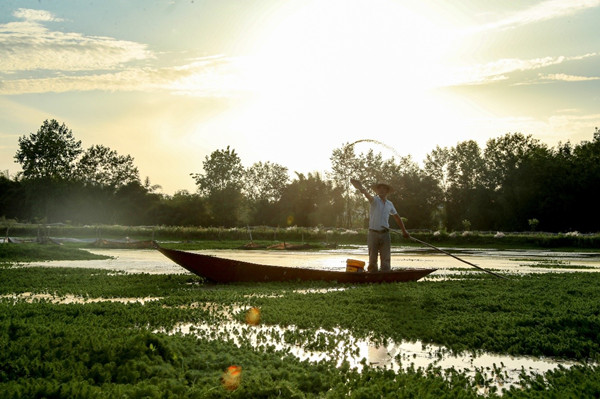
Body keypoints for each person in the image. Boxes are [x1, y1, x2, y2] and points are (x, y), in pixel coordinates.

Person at [351, 179, 410, 272]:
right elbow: (366, 194)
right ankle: (372, 275)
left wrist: (404, 231)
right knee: (372, 258)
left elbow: (397, 217)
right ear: (377, 191)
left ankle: (385, 275)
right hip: (373, 233)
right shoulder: (374, 200)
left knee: (386, 258)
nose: (381, 190)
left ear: (387, 191)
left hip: (385, 234)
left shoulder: (390, 204)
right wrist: (361, 188)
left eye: (384, 189)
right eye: (379, 189)